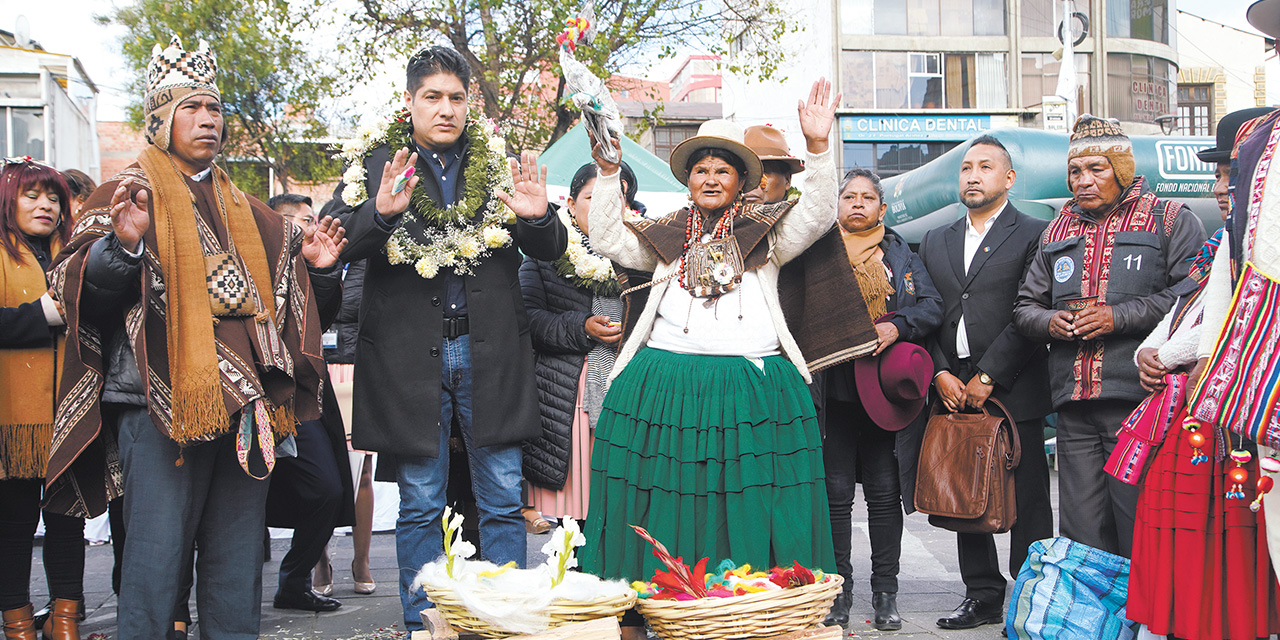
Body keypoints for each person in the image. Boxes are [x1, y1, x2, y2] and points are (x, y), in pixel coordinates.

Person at [41, 37, 345, 640]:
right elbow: (80, 290)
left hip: (244, 412)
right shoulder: (126, 194)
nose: (208, 119)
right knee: (154, 566)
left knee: (237, 570)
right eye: (191, 108)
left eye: (215, 108)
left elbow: (297, 318)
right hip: (158, 408)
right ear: (160, 118)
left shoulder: (257, 214)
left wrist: (323, 270)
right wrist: (121, 248)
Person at [580, 80, 841, 636]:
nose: (712, 178)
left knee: (746, 504)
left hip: (751, 388)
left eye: (724, 170)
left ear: (742, 180)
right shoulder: (663, 236)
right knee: (659, 503)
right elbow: (603, 233)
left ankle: (749, 615)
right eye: (701, 169)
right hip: (665, 384)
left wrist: (818, 149)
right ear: (688, 179)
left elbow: (818, 212)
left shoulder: (767, 233)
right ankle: (643, 611)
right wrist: (606, 174)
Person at [329, 45, 567, 631]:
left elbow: (552, 250)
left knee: (504, 498)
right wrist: (380, 213)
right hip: (409, 359)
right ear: (409, 102)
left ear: (470, 103)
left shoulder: (498, 162)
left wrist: (537, 219)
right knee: (419, 501)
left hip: (490, 352)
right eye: (431, 97)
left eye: (455, 97)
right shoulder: (376, 163)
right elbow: (335, 243)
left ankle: (503, 619)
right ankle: (422, 623)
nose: (445, 109)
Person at [1013, 114, 1205, 558]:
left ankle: (1146, 624)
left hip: (1142, 402)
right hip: (1074, 405)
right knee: (1081, 531)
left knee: (1141, 521)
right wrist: (1050, 323)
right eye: (1075, 171)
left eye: (1096, 169)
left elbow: (1193, 299)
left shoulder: (1169, 219)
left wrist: (1117, 317)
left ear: (1120, 169)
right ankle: (1095, 624)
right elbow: (1026, 307)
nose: (1084, 180)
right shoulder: (1057, 228)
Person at [1125, 106, 1280, 640]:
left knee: (1231, 532)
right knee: (1190, 530)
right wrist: (1152, 350)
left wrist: (1165, 356)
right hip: (1200, 409)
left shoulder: (1259, 241)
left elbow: (1231, 320)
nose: (1221, 188)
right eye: (1218, 176)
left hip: (1233, 411)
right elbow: (1188, 309)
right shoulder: (1222, 243)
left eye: (1231, 174)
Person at [792, 167, 943, 630]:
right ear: (837, 205)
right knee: (835, 496)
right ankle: (839, 593)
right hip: (832, 394)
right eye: (849, 196)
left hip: (882, 396)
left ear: (881, 207)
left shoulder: (901, 254)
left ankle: (886, 594)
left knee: (883, 495)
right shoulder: (816, 253)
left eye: (867, 197)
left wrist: (895, 326)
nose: (857, 204)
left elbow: (931, 306)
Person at [917, 135, 1053, 630]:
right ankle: (982, 594)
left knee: (1030, 496)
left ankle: (1034, 594)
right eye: (966, 168)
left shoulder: (1037, 232)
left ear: (1009, 178)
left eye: (985, 167)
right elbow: (928, 315)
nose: (973, 176)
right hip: (953, 388)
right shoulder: (936, 239)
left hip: (1015, 383)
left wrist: (990, 374)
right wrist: (940, 372)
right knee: (963, 491)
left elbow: (1031, 311)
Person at [519, 162, 638, 522]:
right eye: (592, 196)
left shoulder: (641, 256)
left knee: (621, 505)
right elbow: (528, 320)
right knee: (577, 513)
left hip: (626, 388)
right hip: (567, 394)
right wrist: (582, 326)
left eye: (618, 197)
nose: (606, 205)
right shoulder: (546, 254)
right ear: (570, 204)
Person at [0, 159, 82, 640]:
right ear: (9, 200)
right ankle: (18, 624)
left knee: (67, 520)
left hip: (69, 413)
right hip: (14, 419)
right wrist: (43, 314)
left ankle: (65, 620)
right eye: (32, 196)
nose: (46, 205)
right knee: (13, 526)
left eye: (54, 197)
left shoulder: (72, 252)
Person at [263, 193, 355, 613]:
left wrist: (323, 270)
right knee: (238, 503)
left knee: (327, 489)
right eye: (301, 220)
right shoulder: (252, 260)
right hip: (249, 395)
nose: (312, 225)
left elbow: (323, 317)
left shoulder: (312, 262)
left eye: (312, 217)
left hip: (303, 397)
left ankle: (293, 581)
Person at [742, 124, 802, 206]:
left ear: (787, 180)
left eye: (763, 173)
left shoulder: (805, 215)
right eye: (744, 174)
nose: (752, 183)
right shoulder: (726, 216)